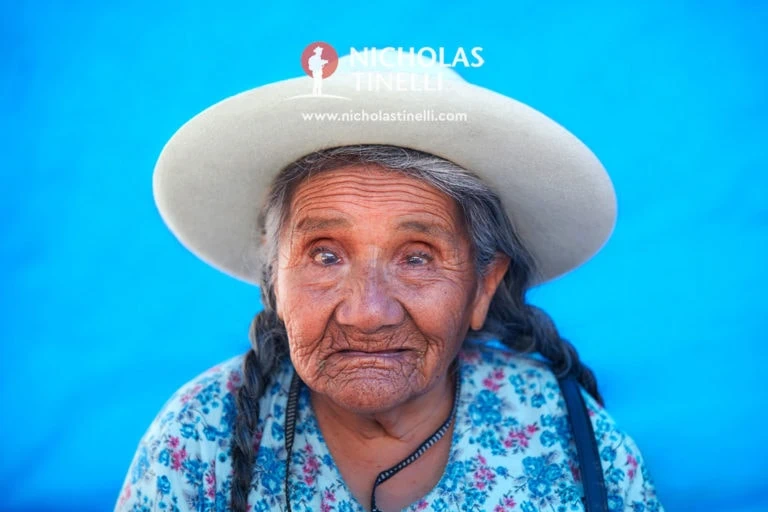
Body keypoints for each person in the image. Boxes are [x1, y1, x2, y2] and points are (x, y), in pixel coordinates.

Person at [115, 52, 664, 512]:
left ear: (482, 288)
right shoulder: (200, 433)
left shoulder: (565, 431)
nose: (368, 312)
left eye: (418, 257)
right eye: (325, 255)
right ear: (275, 281)